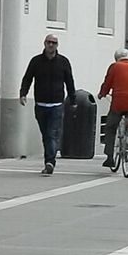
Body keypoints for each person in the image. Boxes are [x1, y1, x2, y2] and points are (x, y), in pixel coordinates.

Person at [19, 34, 76, 176]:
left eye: (54, 43)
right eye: (49, 42)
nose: (51, 45)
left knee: (51, 134)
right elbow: (27, 78)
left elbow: (69, 81)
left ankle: (50, 162)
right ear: (44, 43)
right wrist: (23, 93)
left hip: (57, 104)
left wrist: (73, 100)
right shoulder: (36, 61)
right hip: (40, 104)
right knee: (46, 134)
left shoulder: (63, 62)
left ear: (57, 45)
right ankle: (49, 159)